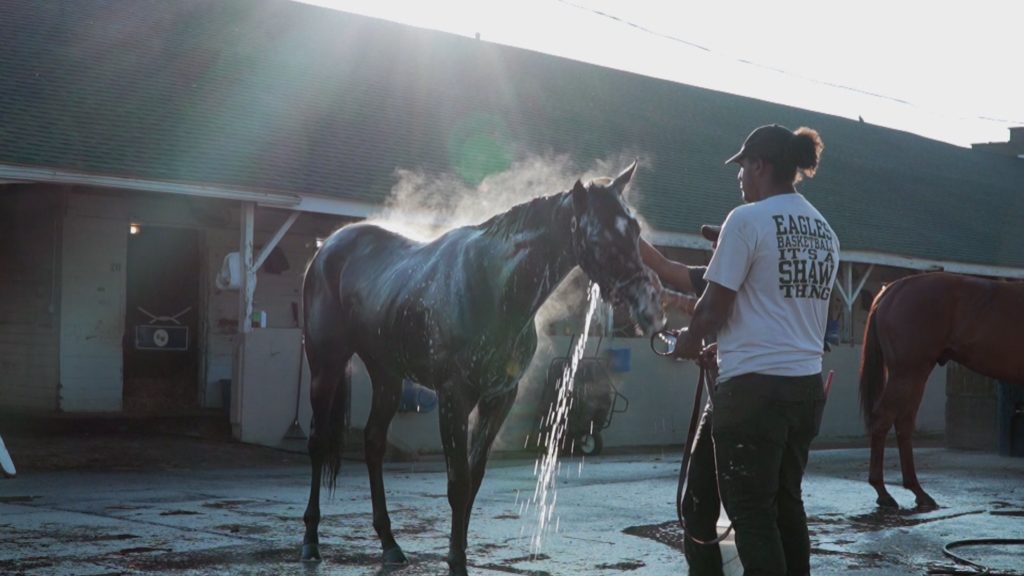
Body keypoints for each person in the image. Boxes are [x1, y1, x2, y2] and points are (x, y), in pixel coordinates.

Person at [672, 124, 838, 576]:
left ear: (760, 165)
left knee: (750, 516)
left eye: (742, 166)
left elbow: (711, 311)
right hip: (803, 391)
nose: (739, 177)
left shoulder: (746, 221)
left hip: (751, 396)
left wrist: (686, 343)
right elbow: (772, 308)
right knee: (785, 507)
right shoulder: (825, 231)